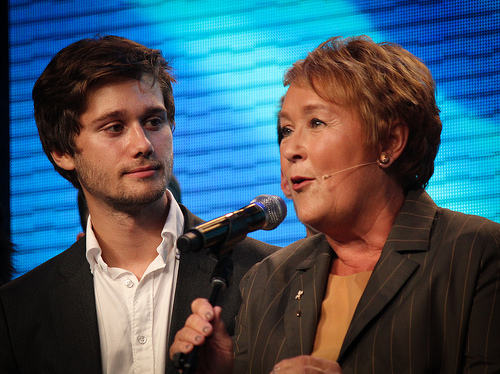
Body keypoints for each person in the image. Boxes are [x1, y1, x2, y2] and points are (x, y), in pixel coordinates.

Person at [170, 35, 500, 373]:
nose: (290, 149)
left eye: (316, 123)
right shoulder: (268, 279)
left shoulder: (476, 251)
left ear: (390, 141)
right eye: (285, 130)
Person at [0, 35, 277, 374]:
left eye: (153, 121)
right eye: (114, 127)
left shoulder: (267, 272)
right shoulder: (19, 310)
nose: (143, 144)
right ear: (62, 152)